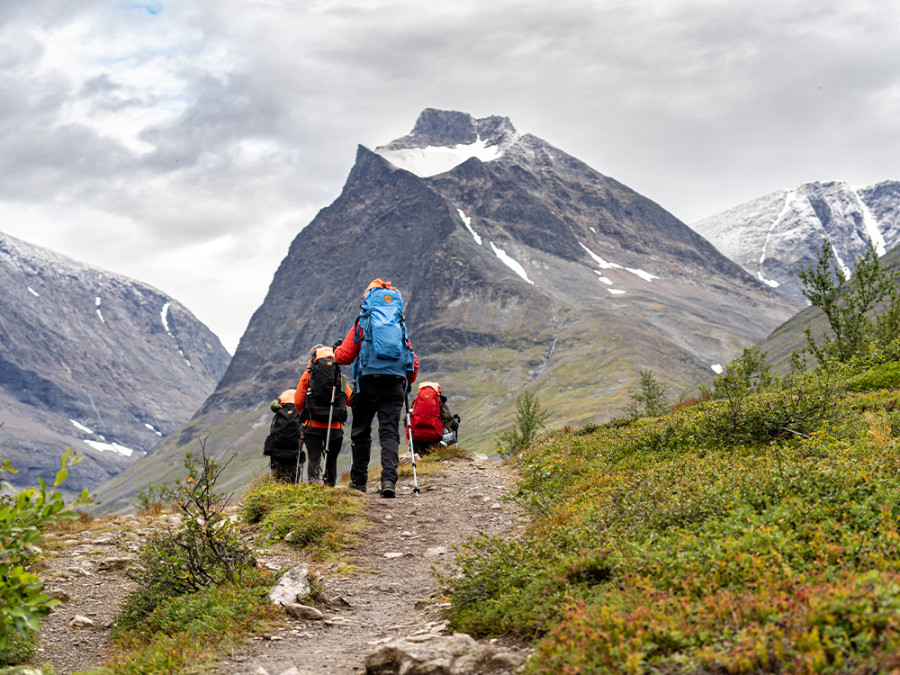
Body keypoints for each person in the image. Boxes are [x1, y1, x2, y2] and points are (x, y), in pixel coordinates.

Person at [334, 279, 418, 498]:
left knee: (361, 432)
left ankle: (359, 482)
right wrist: (407, 381)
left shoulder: (363, 322)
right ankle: (388, 481)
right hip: (394, 385)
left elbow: (344, 355)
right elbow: (411, 357)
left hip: (367, 383)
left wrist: (336, 352)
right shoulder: (399, 323)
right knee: (389, 433)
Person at [294, 344, 353, 487]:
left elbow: (297, 402)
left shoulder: (308, 375)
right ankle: (330, 488)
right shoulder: (340, 376)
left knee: (314, 459)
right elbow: (350, 400)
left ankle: (314, 488)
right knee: (331, 460)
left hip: (312, 425)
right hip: (335, 427)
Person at [407, 381, 461, 453]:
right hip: (434, 442)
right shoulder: (440, 404)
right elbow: (453, 424)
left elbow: (406, 423)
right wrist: (456, 420)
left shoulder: (415, 405)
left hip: (416, 443)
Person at [263, 389, 304, 482]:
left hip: (278, 453)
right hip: (295, 453)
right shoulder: (299, 409)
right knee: (293, 480)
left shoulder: (280, 410)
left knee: (279, 479)